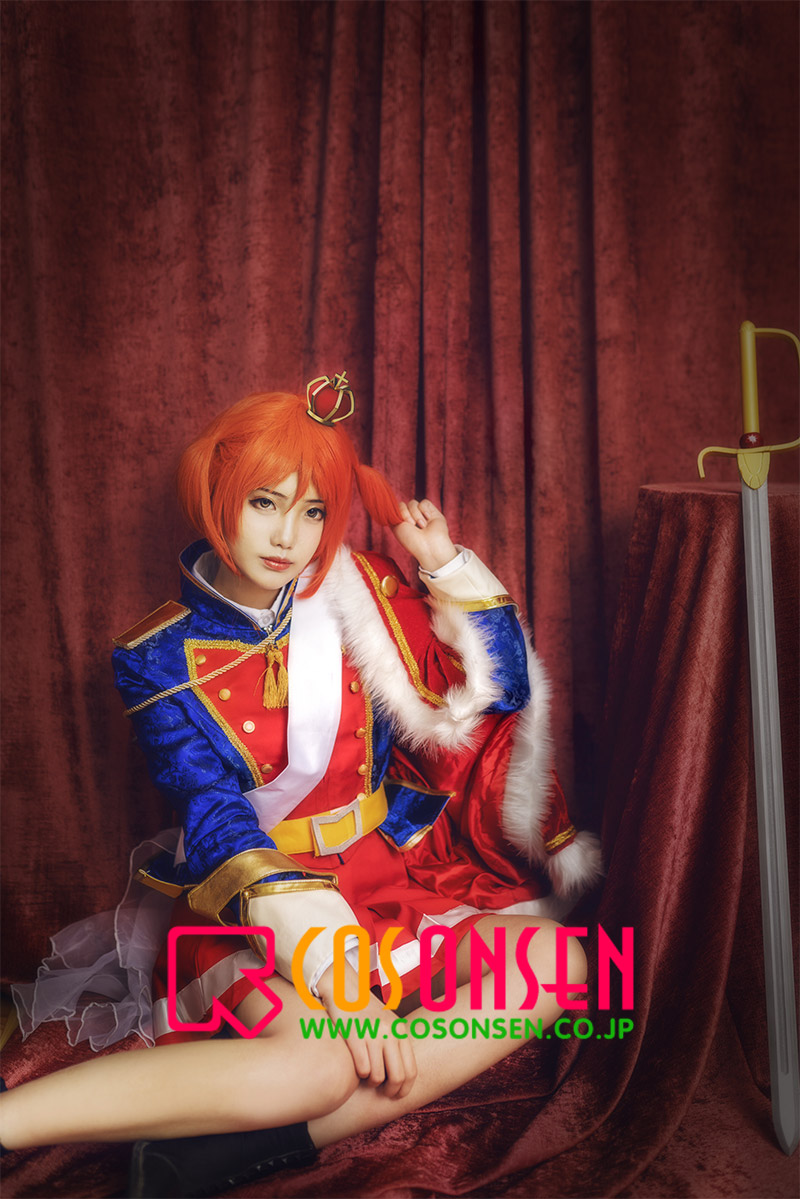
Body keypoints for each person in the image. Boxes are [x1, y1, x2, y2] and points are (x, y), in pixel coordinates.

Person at [2, 374, 601, 1198]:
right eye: (265, 503)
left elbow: (497, 697)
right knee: (321, 1063)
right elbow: (216, 819)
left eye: (313, 511)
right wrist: (340, 978)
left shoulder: (362, 596)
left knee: (557, 963)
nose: (288, 535)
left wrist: (444, 566)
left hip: (386, 878)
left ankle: (224, 1153)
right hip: (257, 903)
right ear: (218, 496)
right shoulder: (156, 656)